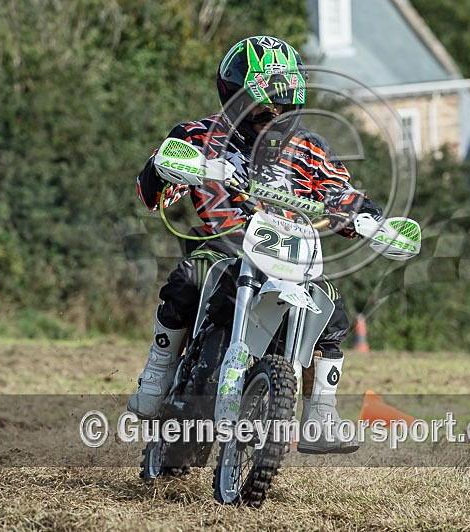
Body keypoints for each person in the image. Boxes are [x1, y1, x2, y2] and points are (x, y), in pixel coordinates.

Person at [127, 35, 382, 454]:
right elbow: (151, 194)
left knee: (332, 309)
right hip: (224, 246)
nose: (274, 115)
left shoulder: (310, 149)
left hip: (291, 256)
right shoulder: (200, 136)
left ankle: (321, 414)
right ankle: (157, 374)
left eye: (284, 105)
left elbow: (341, 192)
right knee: (188, 278)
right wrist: (165, 169)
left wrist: (364, 215)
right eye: (263, 106)